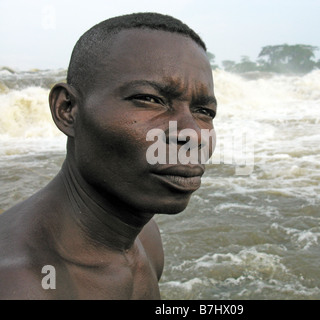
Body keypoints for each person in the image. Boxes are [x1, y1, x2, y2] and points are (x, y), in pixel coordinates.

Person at [0, 12, 217, 299]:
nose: (192, 134)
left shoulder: (144, 237)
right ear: (68, 109)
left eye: (204, 112)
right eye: (150, 99)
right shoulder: (21, 284)